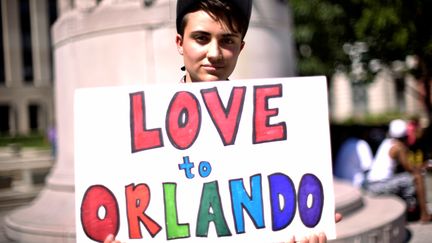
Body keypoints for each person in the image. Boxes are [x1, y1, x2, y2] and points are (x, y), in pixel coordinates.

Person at [104, 0, 341, 242]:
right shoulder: (144, 130)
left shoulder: (274, 133)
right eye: (201, 38)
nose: (215, 54)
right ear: (180, 43)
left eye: (227, 40)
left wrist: (304, 224)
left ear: (241, 47)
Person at [365, 119, 432, 223]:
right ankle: (423, 214)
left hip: (372, 185)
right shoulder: (398, 147)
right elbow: (411, 169)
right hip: (378, 185)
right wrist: (425, 166)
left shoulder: (388, 142)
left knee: (406, 178)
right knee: (417, 177)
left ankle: (414, 210)